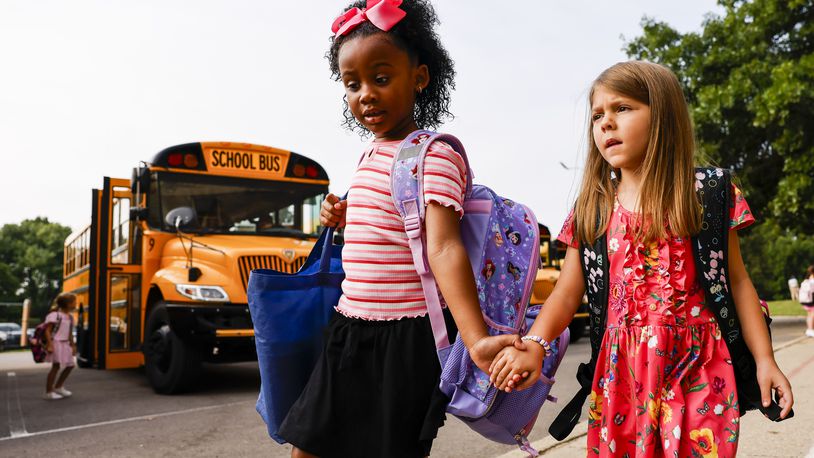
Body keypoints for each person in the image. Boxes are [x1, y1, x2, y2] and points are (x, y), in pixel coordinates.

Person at [489, 61, 794, 456]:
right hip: (621, 373)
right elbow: (566, 293)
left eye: (622, 108)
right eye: (597, 115)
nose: (605, 123)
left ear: (663, 114)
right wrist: (534, 342)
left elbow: (737, 282)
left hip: (701, 365)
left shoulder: (708, 193)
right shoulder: (592, 209)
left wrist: (765, 360)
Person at [276, 1, 516, 457]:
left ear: (420, 78)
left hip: (405, 340)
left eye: (380, 79)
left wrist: (476, 338)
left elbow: (443, 249)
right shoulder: (370, 152)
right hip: (349, 326)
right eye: (352, 84)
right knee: (307, 446)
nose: (365, 93)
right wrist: (345, 219)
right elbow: (390, 229)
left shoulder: (433, 155)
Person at [43, 292, 77, 400]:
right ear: (67, 304)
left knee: (71, 365)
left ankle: (58, 387)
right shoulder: (55, 315)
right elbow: (47, 331)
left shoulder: (70, 317)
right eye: (74, 302)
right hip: (56, 343)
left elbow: (70, 333)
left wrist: (73, 345)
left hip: (65, 343)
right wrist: (50, 344)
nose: (75, 304)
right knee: (56, 367)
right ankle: (48, 392)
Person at [799, 265, 814, 337]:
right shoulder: (812, 279)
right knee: (812, 315)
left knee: (809, 315)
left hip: (806, 300)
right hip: (811, 300)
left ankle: (809, 329)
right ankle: (810, 329)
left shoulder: (807, 279)